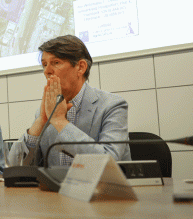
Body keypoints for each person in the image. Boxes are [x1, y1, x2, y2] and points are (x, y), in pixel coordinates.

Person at [8, 35, 131, 167]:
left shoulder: (112, 105)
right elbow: (14, 166)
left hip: (102, 187)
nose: (47, 71)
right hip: (56, 187)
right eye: (44, 65)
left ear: (81, 67)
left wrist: (60, 122)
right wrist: (40, 121)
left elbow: (109, 161)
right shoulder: (47, 111)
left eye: (56, 63)